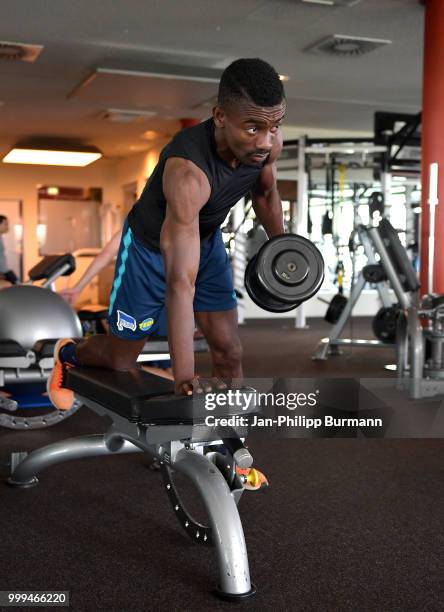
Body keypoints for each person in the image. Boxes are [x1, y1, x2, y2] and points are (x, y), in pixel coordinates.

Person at [48, 58, 286, 486]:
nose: (265, 140)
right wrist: (184, 376)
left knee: (230, 351)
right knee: (122, 357)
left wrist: (282, 247)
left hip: (207, 241)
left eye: (274, 126)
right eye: (253, 128)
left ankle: (234, 451)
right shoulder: (186, 171)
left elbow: (265, 193)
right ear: (219, 116)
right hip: (147, 252)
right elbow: (181, 283)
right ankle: (68, 353)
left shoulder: (266, 144)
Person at [59, 229, 173, 379]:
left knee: (168, 372)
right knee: (120, 362)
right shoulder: (143, 217)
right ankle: (66, 354)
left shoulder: (189, 223)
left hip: (166, 304)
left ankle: (68, 356)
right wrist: (78, 287)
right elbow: (107, 253)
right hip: (135, 303)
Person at [0, 215, 18, 285]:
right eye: (5, 224)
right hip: (2, 272)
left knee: (17, 285)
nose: (7, 227)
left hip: (5, 270)